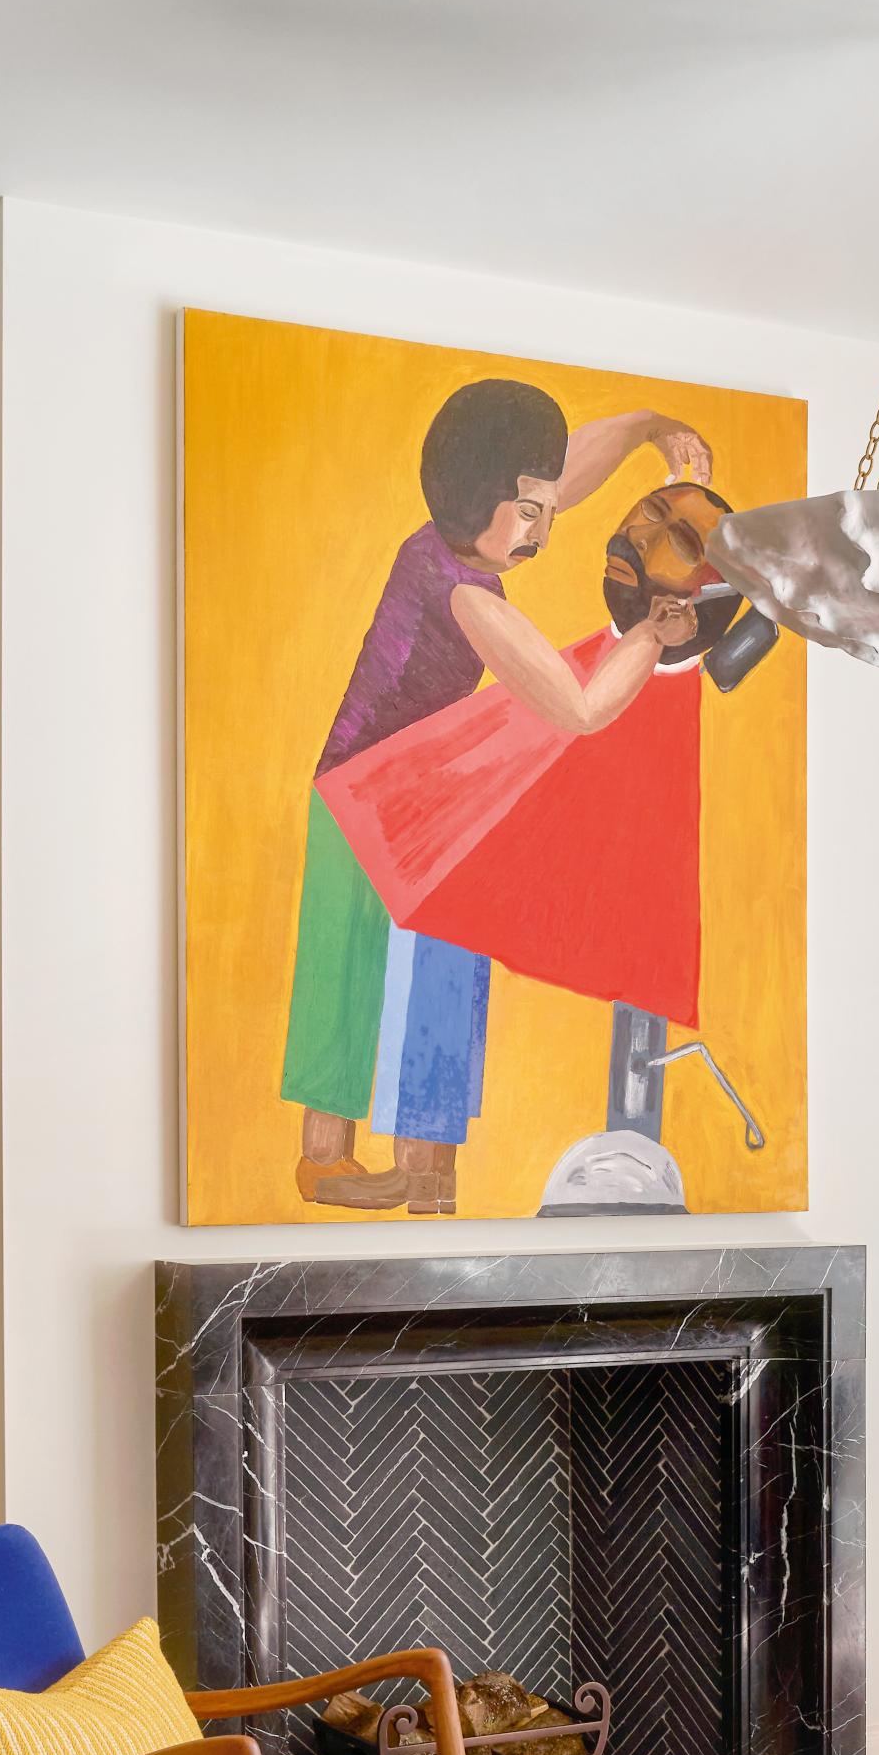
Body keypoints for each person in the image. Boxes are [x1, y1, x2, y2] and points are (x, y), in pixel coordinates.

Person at [283, 381, 711, 1209]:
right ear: (481, 500)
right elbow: (579, 709)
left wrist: (648, 427)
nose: (543, 532)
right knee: (348, 976)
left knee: (444, 962)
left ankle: (428, 1168)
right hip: (358, 794)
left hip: (430, 794)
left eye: (544, 510)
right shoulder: (467, 593)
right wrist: (649, 637)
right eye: (529, 515)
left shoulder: (464, 530)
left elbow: (561, 476)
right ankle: (325, 1159)